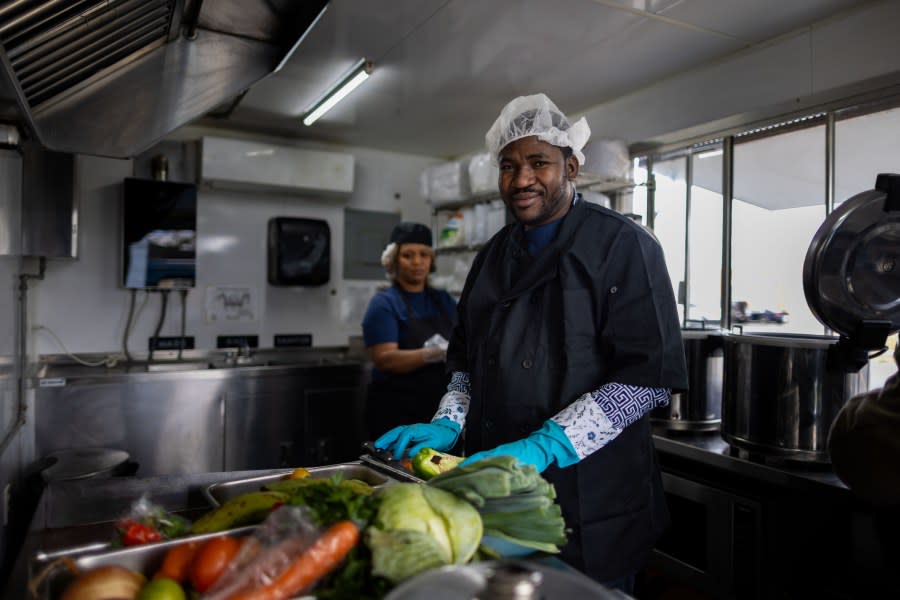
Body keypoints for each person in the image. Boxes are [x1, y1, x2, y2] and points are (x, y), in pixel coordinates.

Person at [376, 93, 688, 592]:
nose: (521, 180)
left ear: (572, 165)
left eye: (538, 162)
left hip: (592, 504)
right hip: (497, 498)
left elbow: (645, 380)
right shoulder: (492, 256)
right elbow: (465, 364)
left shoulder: (624, 246)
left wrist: (546, 446)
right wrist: (447, 422)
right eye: (509, 166)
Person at [362, 222, 457, 440]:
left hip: (437, 409)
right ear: (393, 260)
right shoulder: (385, 303)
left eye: (424, 254)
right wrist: (435, 353)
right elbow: (385, 359)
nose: (417, 262)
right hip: (396, 409)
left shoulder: (442, 300)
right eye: (408, 255)